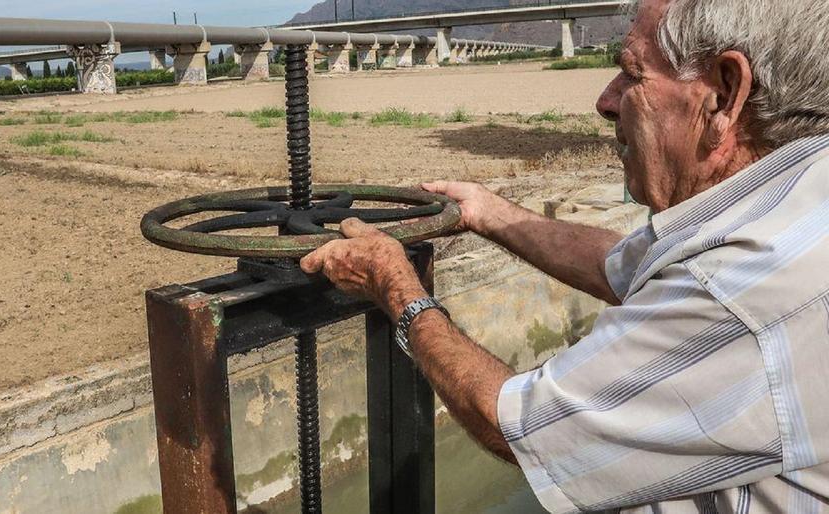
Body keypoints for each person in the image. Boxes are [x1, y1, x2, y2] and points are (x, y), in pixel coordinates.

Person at [300, 0, 829, 511]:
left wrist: (396, 286)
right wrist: (488, 212)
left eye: (632, 75)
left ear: (723, 94)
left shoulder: (735, 292)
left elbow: (516, 426)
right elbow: (619, 264)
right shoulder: (790, 196)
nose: (606, 101)